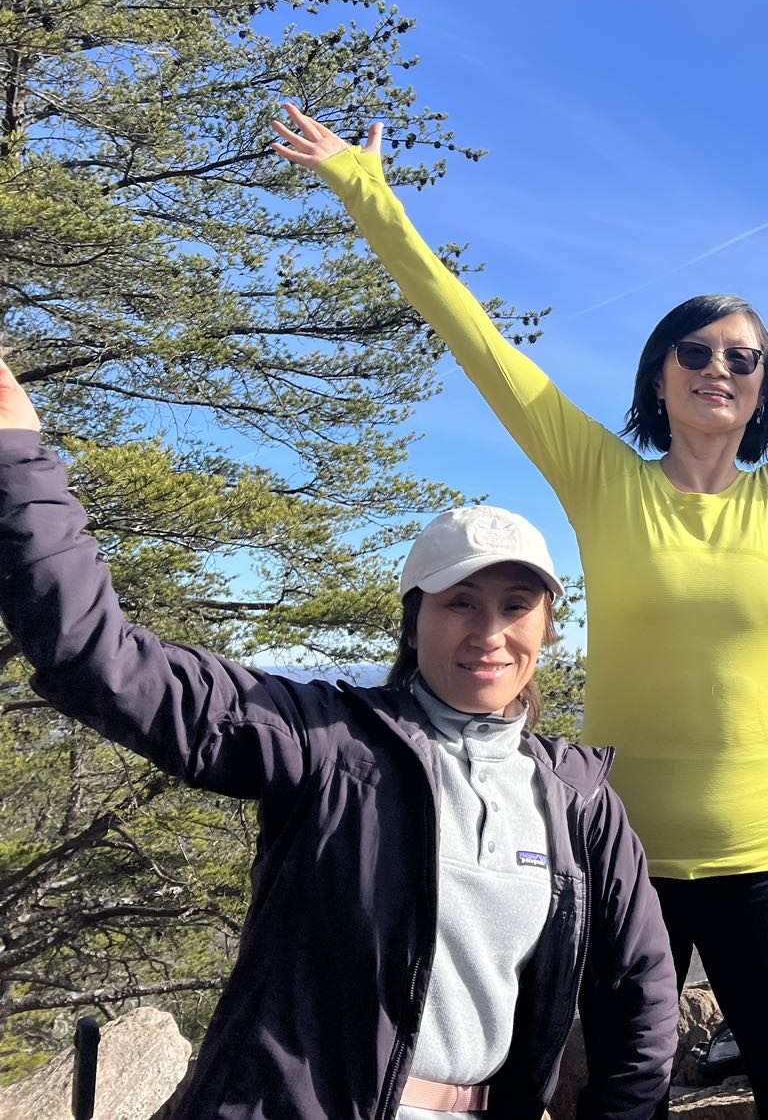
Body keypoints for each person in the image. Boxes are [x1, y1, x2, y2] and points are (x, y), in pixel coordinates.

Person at [270, 105, 768, 1119]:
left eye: (742, 358)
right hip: (617, 852)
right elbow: (477, 339)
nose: (718, 367)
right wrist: (369, 194)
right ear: (658, 373)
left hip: (762, 854)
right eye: (695, 350)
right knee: (615, 1101)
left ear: (765, 391)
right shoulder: (602, 478)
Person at [0, 358, 677, 1120]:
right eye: (460, 603)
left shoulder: (577, 804)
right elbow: (106, 663)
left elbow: (641, 997)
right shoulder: (330, 745)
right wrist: (17, 457)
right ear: (413, 625)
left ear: (546, 628)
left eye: (516, 605)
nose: (490, 633)